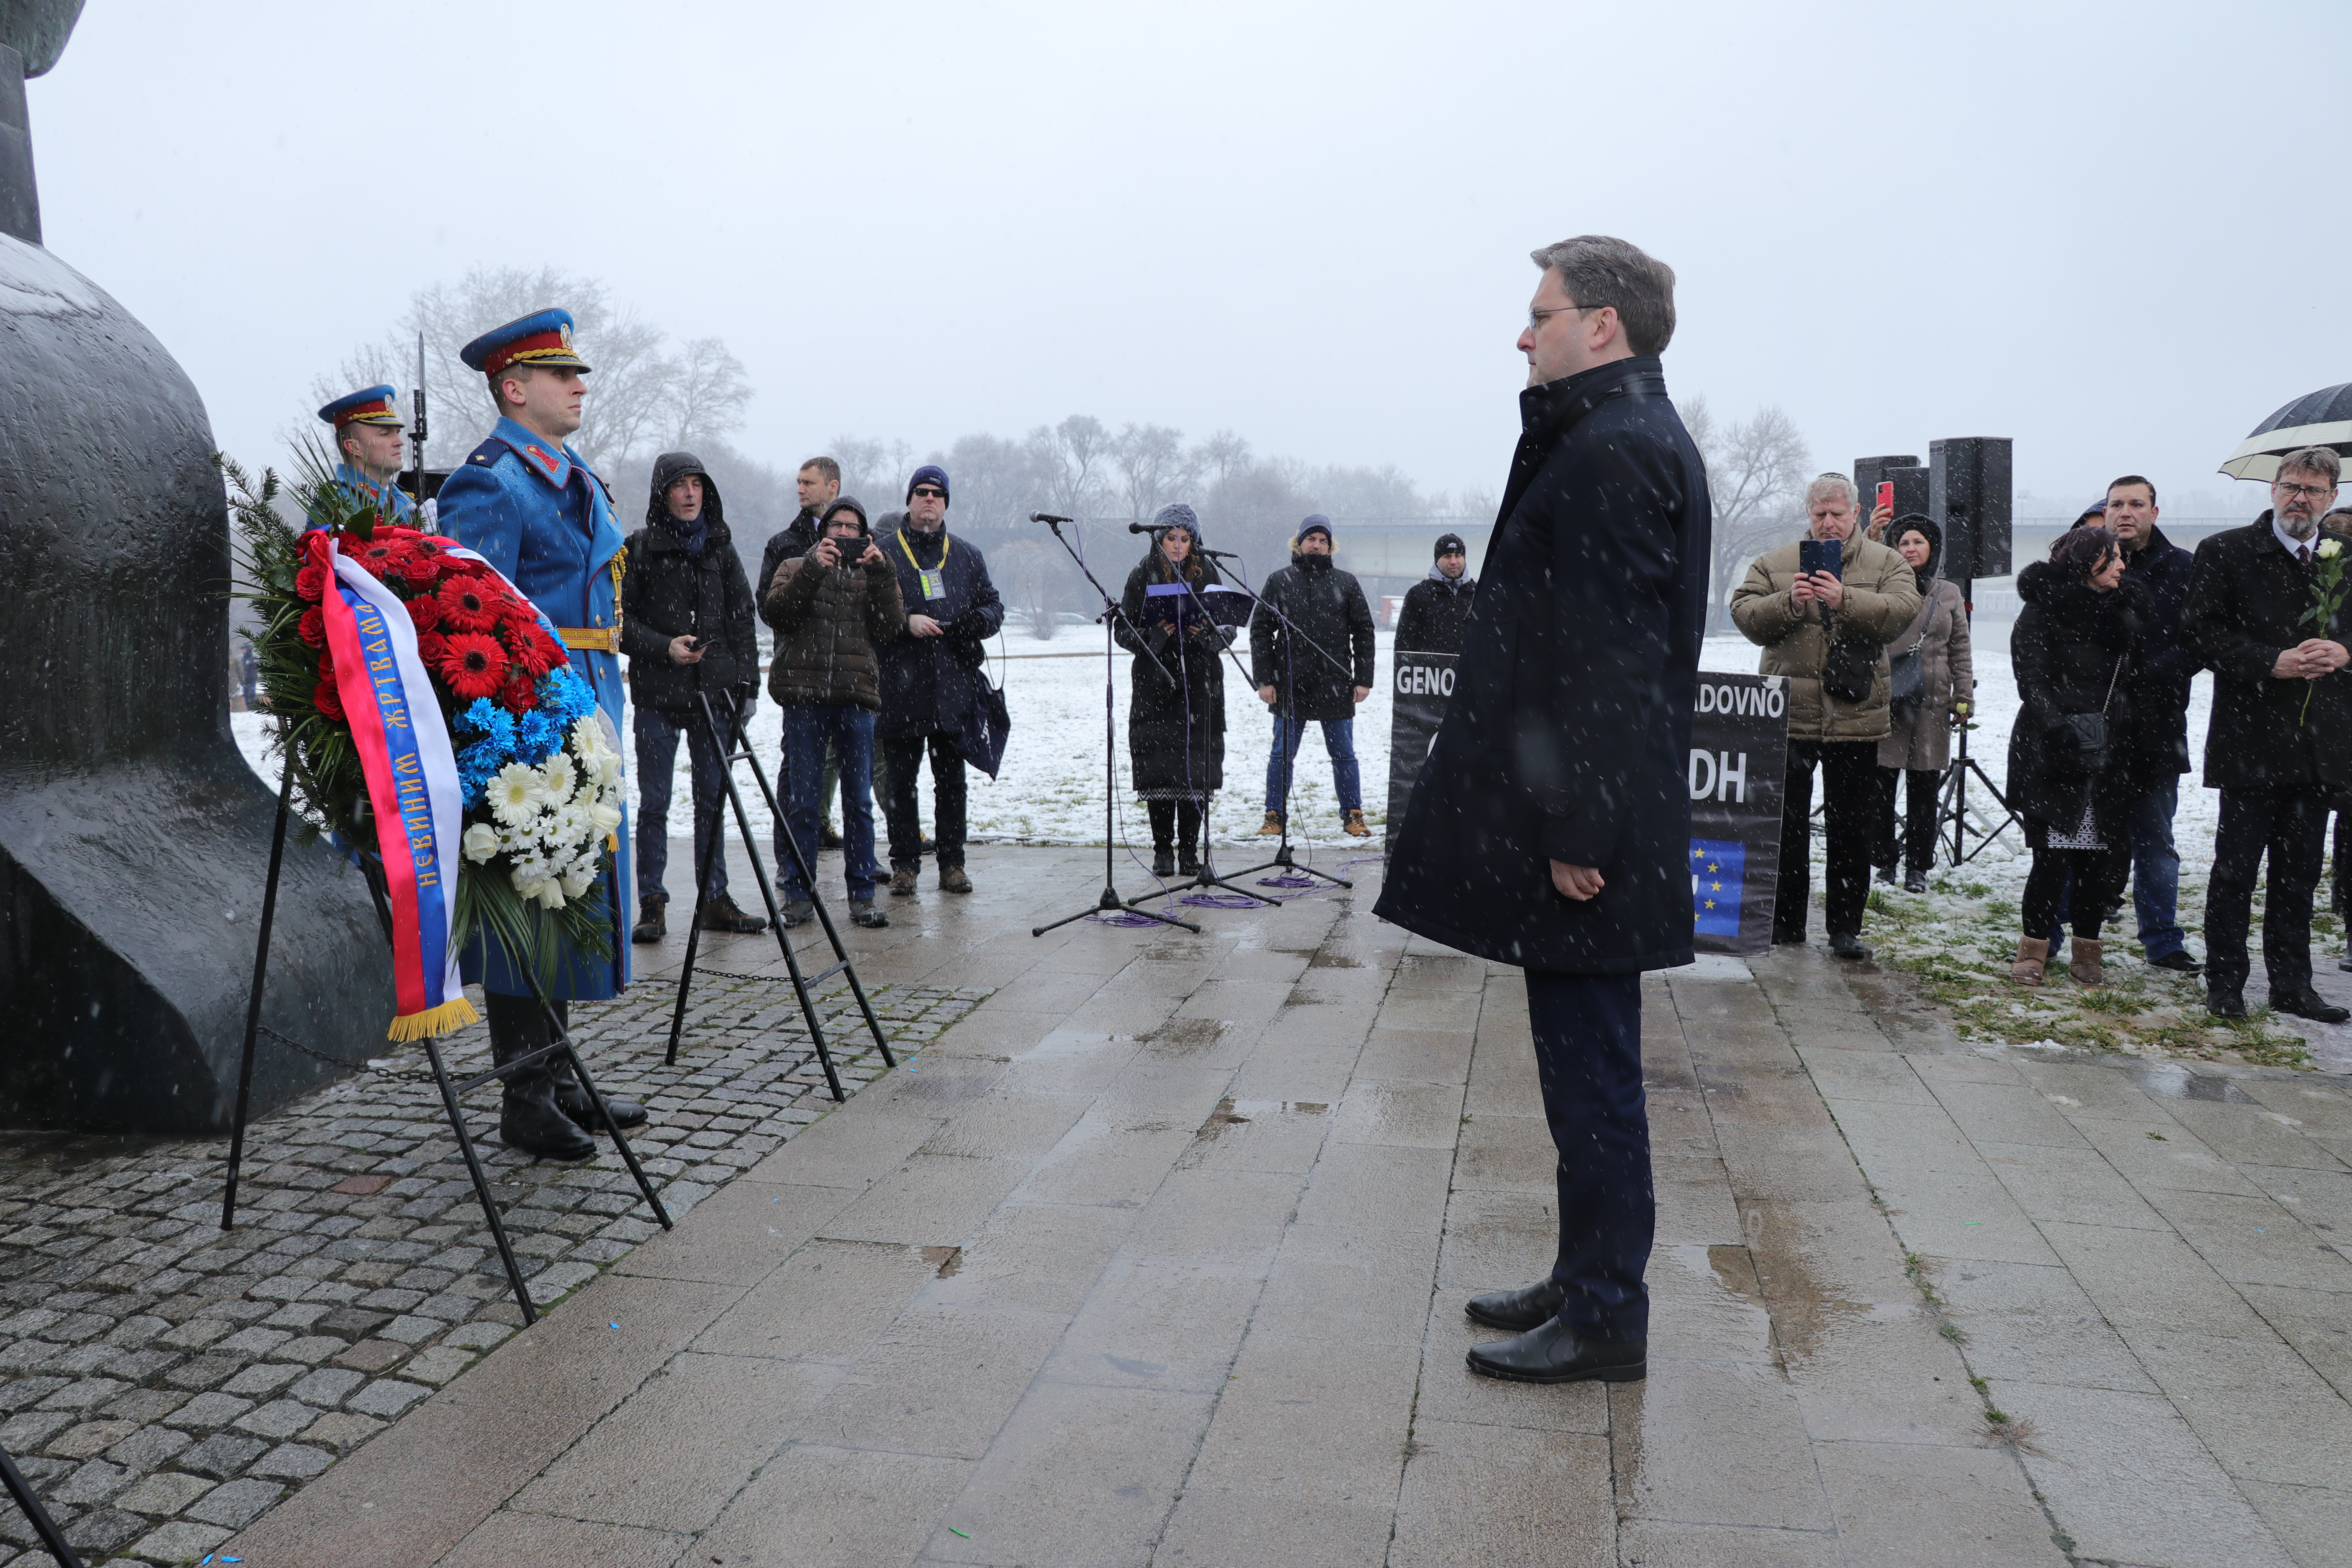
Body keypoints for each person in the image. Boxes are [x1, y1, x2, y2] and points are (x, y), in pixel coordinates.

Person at [1378, 233, 1708, 1387]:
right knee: (1574, 1071)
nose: (1523, 333)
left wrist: (1579, 832)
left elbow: (1611, 665)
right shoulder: (1603, 434)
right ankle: (1583, 1276)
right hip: (1588, 820)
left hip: (1593, 833)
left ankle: (1609, 1311)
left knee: (1595, 1077)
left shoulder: (1618, 450)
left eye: (1541, 312)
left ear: (1600, 325)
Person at [437, 308, 647, 1160]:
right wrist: (513, 733)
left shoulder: (570, 474)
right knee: (530, 900)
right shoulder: (490, 483)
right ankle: (524, 1096)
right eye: (563, 376)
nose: (580, 386)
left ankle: (559, 1076)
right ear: (514, 389)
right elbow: (468, 624)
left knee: (570, 896)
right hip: (526, 725)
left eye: (578, 374)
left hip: (588, 705)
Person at [2181, 447, 2352, 1023]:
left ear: (2332, 499)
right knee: (2235, 872)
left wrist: (2345, 650)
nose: (2300, 499)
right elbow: (2201, 636)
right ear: (2273, 490)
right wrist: (2270, 661)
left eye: (2313, 490)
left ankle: (2292, 985)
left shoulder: (2345, 557)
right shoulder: (2225, 553)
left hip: (2318, 745)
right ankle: (2226, 982)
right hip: (2250, 739)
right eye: (2291, 487)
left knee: (2299, 874)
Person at [1729, 474, 1921, 958]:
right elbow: (1744, 614)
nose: (1829, 522)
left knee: (1851, 829)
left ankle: (1844, 929)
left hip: (1856, 717)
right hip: (1789, 716)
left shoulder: (1887, 562)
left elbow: (1904, 611)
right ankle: (1787, 922)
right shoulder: (1775, 564)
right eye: (1820, 514)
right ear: (1808, 515)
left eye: (1838, 513)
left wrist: (1845, 600)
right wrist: (1788, 603)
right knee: (1786, 827)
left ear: (1856, 513)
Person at [620, 451, 765, 945]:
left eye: (696, 484)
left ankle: (714, 898)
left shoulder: (722, 549)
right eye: (679, 485)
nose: (689, 493)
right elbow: (620, 624)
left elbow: (743, 616)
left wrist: (748, 686)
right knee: (655, 803)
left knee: (713, 801)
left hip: (715, 695)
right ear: (663, 493)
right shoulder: (639, 549)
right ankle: (652, 903)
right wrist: (665, 647)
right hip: (658, 695)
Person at [2004, 527, 2145, 986]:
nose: (2123, 566)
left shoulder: (2123, 611)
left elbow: (2140, 676)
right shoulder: (2043, 609)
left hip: (2108, 751)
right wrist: (2057, 727)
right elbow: (2031, 677)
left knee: (2097, 864)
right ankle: (2033, 951)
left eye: (2122, 558)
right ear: (2088, 565)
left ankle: (2088, 952)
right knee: (2050, 860)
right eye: (2113, 559)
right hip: (2053, 751)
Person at [763, 496, 901, 928]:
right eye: (837, 526)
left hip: (856, 699)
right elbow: (777, 613)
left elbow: (890, 627)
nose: (844, 534)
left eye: (852, 528)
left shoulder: (876, 572)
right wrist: (814, 569)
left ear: (865, 535)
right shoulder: (793, 565)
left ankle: (862, 894)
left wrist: (881, 572)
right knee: (803, 803)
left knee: (858, 802)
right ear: (824, 531)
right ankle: (799, 894)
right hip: (804, 698)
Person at [875, 464, 1003, 895]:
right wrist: (905, 622)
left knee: (951, 782)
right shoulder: (885, 553)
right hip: (901, 687)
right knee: (901, 784)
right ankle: (905, 865)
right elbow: (868, 614)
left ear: (946, 503)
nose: (929, 499)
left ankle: (953, 863)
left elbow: (993, 607)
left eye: (937, 494)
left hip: (953, 688)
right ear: (909, 499)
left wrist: (973, 623)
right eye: (921, 492)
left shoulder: (966, 555)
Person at [2102, 475, 2203, 973]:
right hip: (2094, 727)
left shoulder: (2184, 568)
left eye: (2136, 504)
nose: (2126, 512)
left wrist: (2149, 673)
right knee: (2079, 835)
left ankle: (2163, 941)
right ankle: (2058, 934)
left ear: (2154, 513)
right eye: (2117, 503)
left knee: (2155, 841)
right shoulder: (2090, 565)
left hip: (2157, 726)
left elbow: (2201, 640)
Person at [1117, 504, 1234, 877]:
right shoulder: (1142, 574)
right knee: (1161, 771)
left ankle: (1190, 852)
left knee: (1195, 773)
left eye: (1185, 539)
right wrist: (1154, 636)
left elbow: (1229, 625)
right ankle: (1163, 850)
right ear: (1159, 538)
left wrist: (1211, 635)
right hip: (1156, 687)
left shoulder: (1209, 571)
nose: (1179, 546)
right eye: (1172, 538)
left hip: (1201, 686)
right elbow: (1122, 630)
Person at [1250, 515, 1377, 838]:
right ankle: (1274, 816)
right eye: (1311, 539)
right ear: (1299, 543)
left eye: (1323, 540)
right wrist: (1265, 680)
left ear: (1330, 546)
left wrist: (1363, 679)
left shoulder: (1346, 583)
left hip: (1336, 685)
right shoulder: (1279, 581)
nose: (1317, 545)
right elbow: (1261, 632)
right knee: (1281, 755)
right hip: (1289, 686)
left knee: (1344, 755)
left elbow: (1364, 632)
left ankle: (1353, 814)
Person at [1869, 517, 1973, 893]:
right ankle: (1884, 862)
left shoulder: (1948, 593)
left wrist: (1963, 697)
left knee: (1924, 790)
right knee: (1880, 788)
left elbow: (1960, 648)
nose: (1911, 548)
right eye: (1903, 542)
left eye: (1919, 542)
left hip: (1932, 705)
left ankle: (1918, 867)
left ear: (1933, 548)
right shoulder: (1882, 584)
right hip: (1888, 700)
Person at [760, 457, 848, 855]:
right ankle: (791, 856)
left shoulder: (860, 538)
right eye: (798, 482)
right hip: (801, 673)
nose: (800, 489)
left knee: (854, 772)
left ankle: (858, 857)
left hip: (848, 673)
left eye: (809, 483)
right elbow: (767, 606)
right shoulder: (784, 545)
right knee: (795, 768)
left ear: (833, 487)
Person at [313, 385, 417, 526]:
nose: (400, 442)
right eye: (386, 434)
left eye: (397, 433)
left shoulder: (405, 498)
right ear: (354, 447)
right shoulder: (337, 499)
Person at [1394, 532, 1477, 655]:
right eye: (1447, 556)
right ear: (1437, 560)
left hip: (1469, 673)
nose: (1454, 561)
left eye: (1458, 555)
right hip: (1429, 672)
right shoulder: (1418, 594)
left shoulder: (1479, 594)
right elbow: (1404, 644)